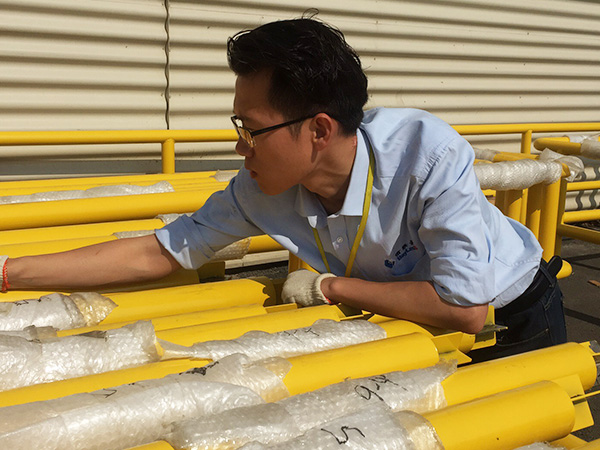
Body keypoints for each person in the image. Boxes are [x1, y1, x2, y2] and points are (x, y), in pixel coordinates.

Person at [1, 17, 566, 358]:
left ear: (318, 129)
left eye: (250, 128)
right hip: (403, 323)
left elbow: (464, 308)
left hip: (515, 314)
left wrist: (330, 287)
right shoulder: (260, 187)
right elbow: (161, 251)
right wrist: (10, 272)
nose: (240, 146)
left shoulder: (425, 154)